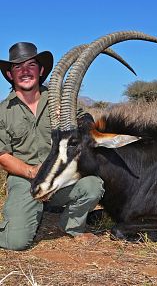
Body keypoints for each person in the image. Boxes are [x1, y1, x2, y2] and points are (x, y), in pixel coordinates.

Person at [0, 42, 105, 250]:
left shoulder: (59, 100)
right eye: (17, 67)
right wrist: (31, 172)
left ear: (40, 70)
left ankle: (72, 225)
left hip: (59, 177)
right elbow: (2, 155)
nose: (25, 71)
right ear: (10, 75)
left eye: (30, 65)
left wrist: (73, 123)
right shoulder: (3, 111)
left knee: (93, 185)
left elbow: (87, 121)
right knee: (16, 243)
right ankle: (28, 213)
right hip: (26, 180)